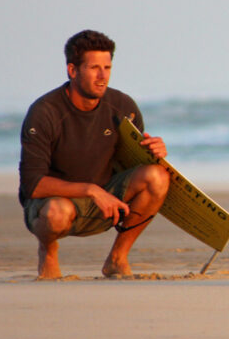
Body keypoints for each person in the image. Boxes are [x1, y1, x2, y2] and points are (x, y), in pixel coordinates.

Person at [19, 30, 170, 279]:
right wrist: (91, 190)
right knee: (57, 213)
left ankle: (117, 258)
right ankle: (48, 250)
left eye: (107, 67)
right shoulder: (45, 112)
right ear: (72, 70)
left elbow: (133, 163)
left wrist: (156, 154)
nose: (103, 77)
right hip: (53, 204)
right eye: (94, 68)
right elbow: (32, 185)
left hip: (106, 204)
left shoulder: (123, 107)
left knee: (158, 176)